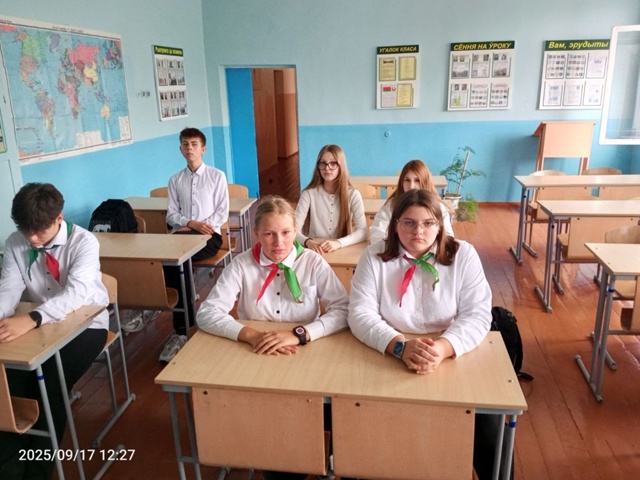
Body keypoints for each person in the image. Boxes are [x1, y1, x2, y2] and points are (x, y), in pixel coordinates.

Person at [348, 189, 504, 480]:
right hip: (390, 349)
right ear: (395, 224)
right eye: (408, 223)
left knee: (489, 428)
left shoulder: (463, 255)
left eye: (428, 223)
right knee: (361, 421)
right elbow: (359, 313)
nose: (418, 231)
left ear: (440, 226)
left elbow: (477, 313)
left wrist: (442, 348)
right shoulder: (374, 256)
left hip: (450, 350)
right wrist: (400, 347)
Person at [197, 195, 348, 480]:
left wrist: (300, 333)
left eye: (286, 233)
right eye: (269, 234)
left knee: (314, 412)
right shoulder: (242, 264)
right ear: (256, 233)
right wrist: (250, 334)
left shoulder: (312, 262)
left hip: (305, 357)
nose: (278, 242)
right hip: (258, 357)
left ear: (296, 231)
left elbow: (343, 310)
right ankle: (272, 455)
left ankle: (314, 454)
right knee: (272, 434)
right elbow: (206, 313)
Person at [0, 183, 109, 480]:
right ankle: (10, 467)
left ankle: (39, 469)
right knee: (9, 384)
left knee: (49, 384)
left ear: (59, 218)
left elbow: (76, 295)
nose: (32, 239)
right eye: (26, 231)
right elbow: (9, 290)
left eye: (40, 231)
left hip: (87, 323)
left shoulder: (84, 242)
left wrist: (33, 317)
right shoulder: (15, 242)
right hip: (40, 327)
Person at [159, 126, 229, 362]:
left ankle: (181, 329)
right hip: (183, 235)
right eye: (185, 144)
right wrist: (190, 223)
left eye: (194, 144)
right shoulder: (175, 180)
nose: (189, 148)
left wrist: (200, 227)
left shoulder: (217, 176)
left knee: (179, 264)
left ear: (203, 149)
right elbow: (171, 215)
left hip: (210, 237)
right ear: (180, 149)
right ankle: (181, 321)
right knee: (171, 262)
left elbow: (222, 213)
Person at [295, 144, 367, 254]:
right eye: (322, 163)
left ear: (341, 165)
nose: (327, 168)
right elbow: (293, 229)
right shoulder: (308, 194)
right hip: (315, 251)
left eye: (333, 163)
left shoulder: (353, 194)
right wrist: (308, 242)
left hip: (341, 250)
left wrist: (339, 243)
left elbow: (363, 232)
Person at [369, 159, 454, 245]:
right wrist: (398, 249)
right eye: (407, 180)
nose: (411, 186)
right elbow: (377, 235)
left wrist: (426, 250)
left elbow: (448, 237)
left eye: (417, 180)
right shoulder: (391, 206)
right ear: (401, 182)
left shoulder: (438, 207)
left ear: (425, 181)